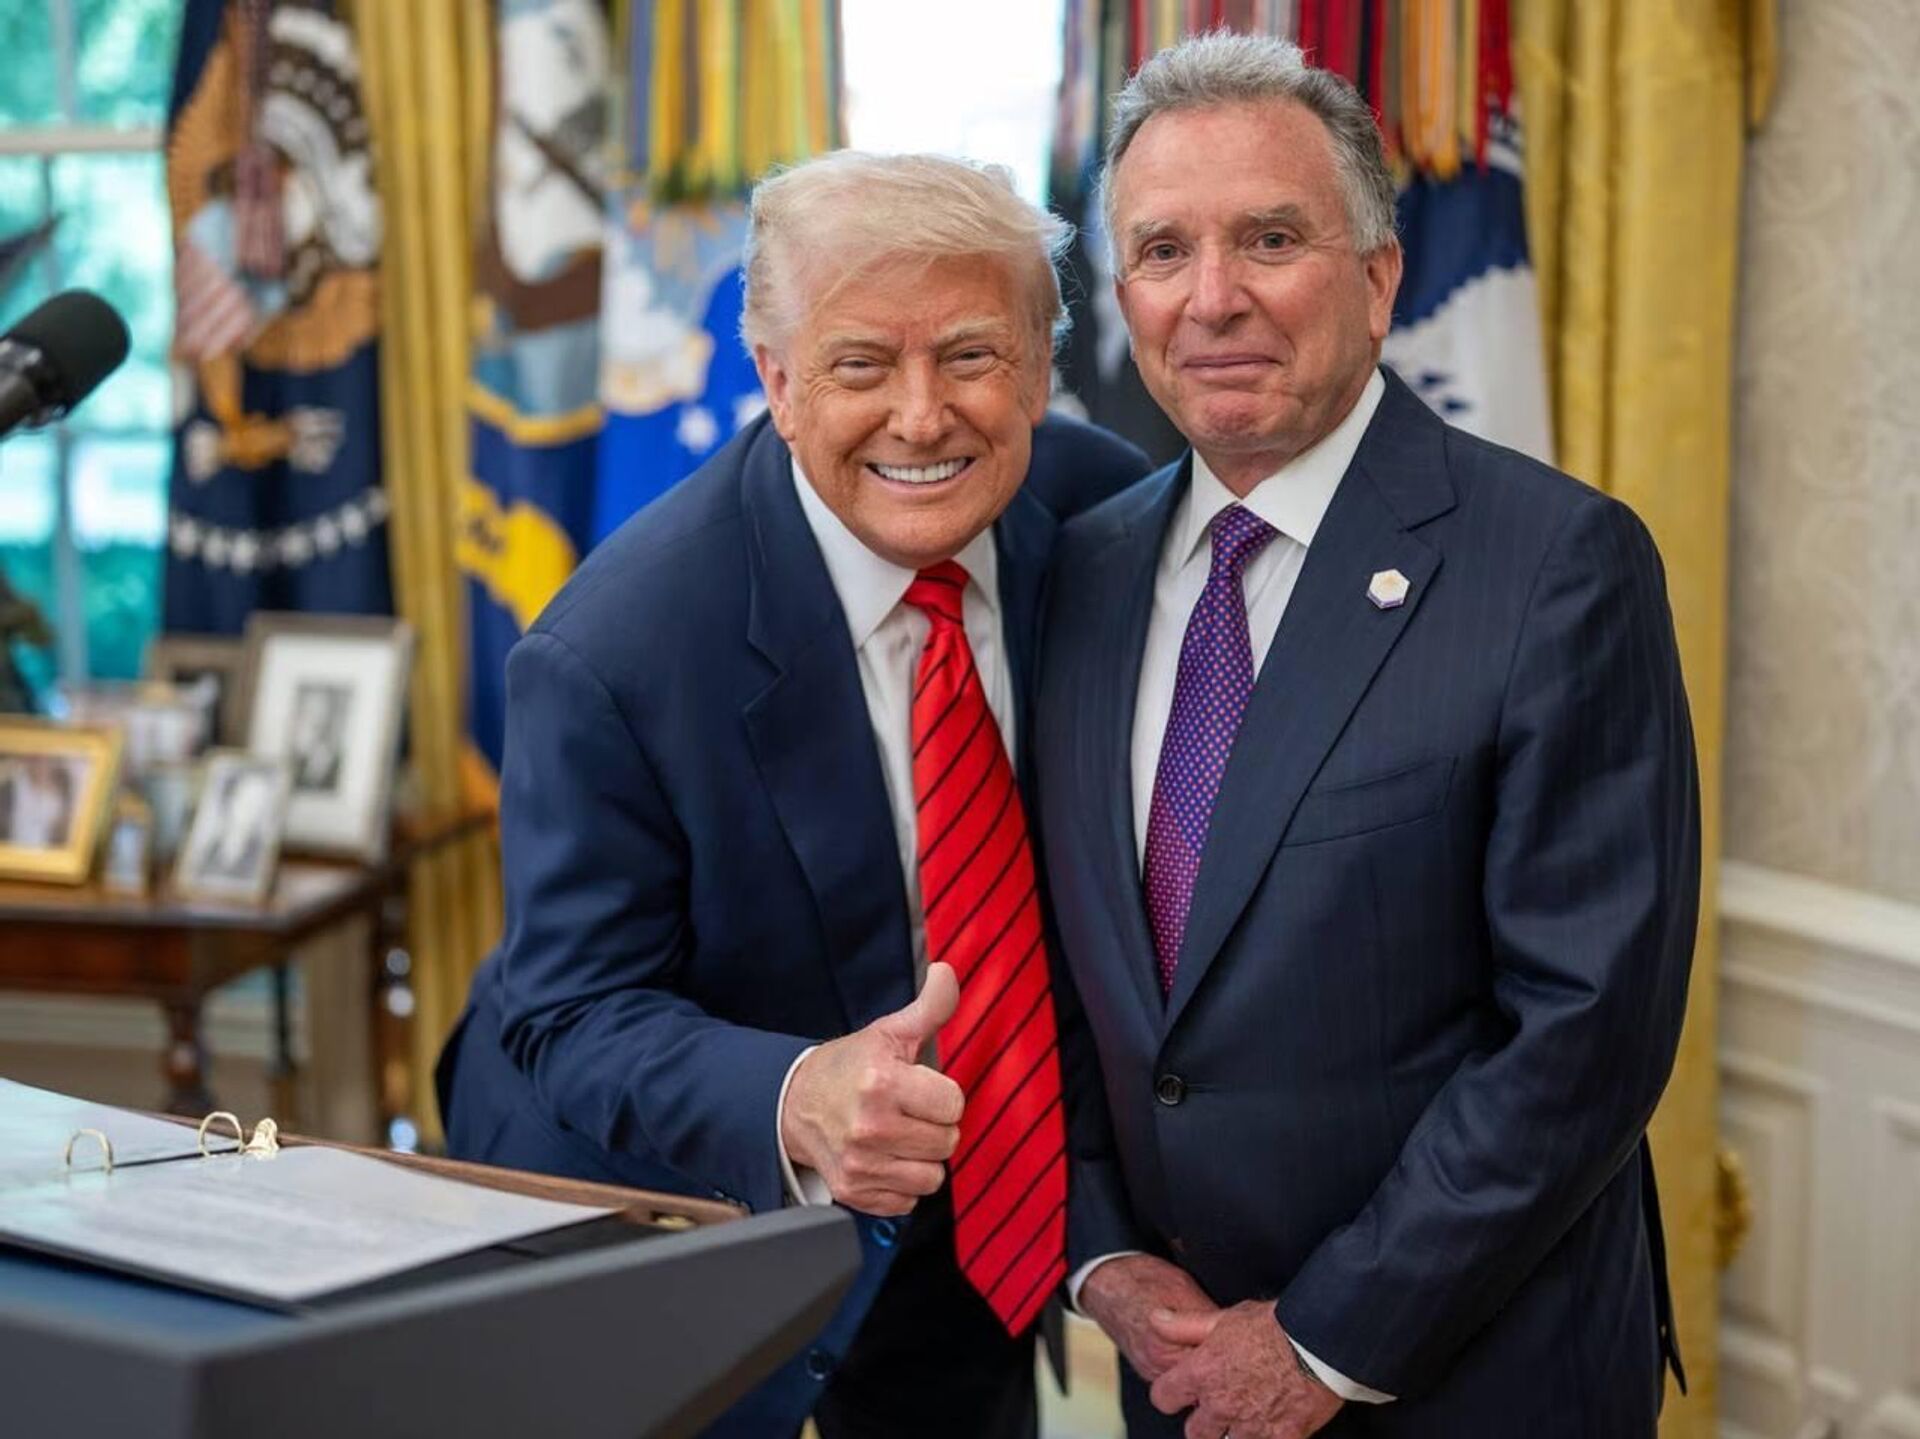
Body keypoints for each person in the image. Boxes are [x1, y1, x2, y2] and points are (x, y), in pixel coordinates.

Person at [1036, 34, 1700, 1439]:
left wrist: (1324, 1339)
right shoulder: (1080, 575)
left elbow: (1584, 1034)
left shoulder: (1556, 566)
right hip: (1182, 1367)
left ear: (1381, 277)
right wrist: (1101, 1258)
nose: (1212, 298)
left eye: (1271, 239)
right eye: (1162, 251)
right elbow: (1074, 978)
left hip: (1473, 1373)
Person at [436, 150, 1151, 1439]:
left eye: (973, 355)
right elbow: (570, 1012)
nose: (923, 418)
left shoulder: (1106, 515)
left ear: (1044, 367)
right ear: (774, 380)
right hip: (681, 1216)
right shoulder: (615, 652)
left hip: (976, 1197)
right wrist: (794, 1095)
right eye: (860, 364)